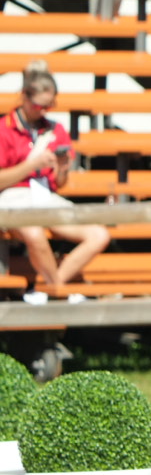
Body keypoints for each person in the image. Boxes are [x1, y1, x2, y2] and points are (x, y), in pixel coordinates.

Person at [0, 61, 108, 304]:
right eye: (40, 106)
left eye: (50, 105)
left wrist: (61, 170)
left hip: (45, 198)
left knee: (99, 235)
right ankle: (59, 290)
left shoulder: (55, 129)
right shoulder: (4, 129)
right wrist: (32, 165)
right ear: (24, 97)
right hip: (12, 198)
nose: (45, 111)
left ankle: (49, 288)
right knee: (34, 233)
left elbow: (59, 184)